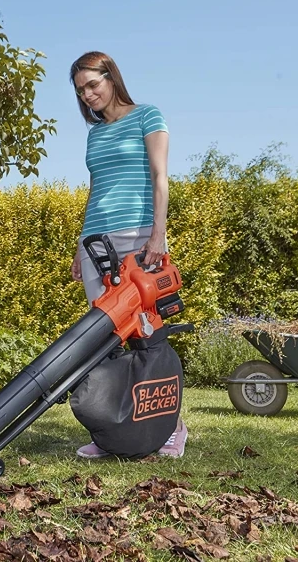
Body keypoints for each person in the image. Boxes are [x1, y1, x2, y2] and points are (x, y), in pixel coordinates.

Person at [68, 51, 187, 459]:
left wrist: (158, 235)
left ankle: (171, 427)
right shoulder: (95, 134)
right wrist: (79, 246)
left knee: (146, 336)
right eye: (80, 91)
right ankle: (114, 432)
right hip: (95, 242)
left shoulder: (147, 116)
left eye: (92, 84)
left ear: (111, 77)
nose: (87, 95)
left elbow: (159, 177)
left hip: (137, 237)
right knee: (106, 341)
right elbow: (95, 191)